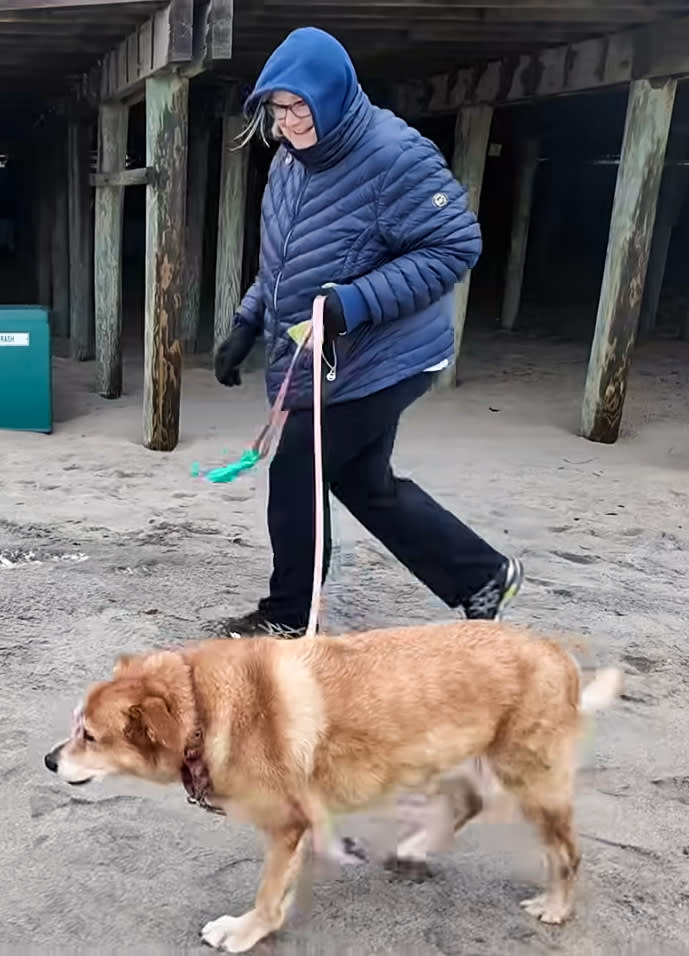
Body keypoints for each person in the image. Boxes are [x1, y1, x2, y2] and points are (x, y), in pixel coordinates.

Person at [209, 26, 522, 639]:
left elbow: (455, 246)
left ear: (334, 96)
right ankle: (482, 575)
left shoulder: (394, 155)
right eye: (279, 109)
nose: (291, 123)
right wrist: (248, 320)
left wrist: (353, 303)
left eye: (303, 108)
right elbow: (285, 261)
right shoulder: (288, 163)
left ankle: (289, 616)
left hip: (387, 354)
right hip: (332, 350)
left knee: (298, 465)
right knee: (361, 479)